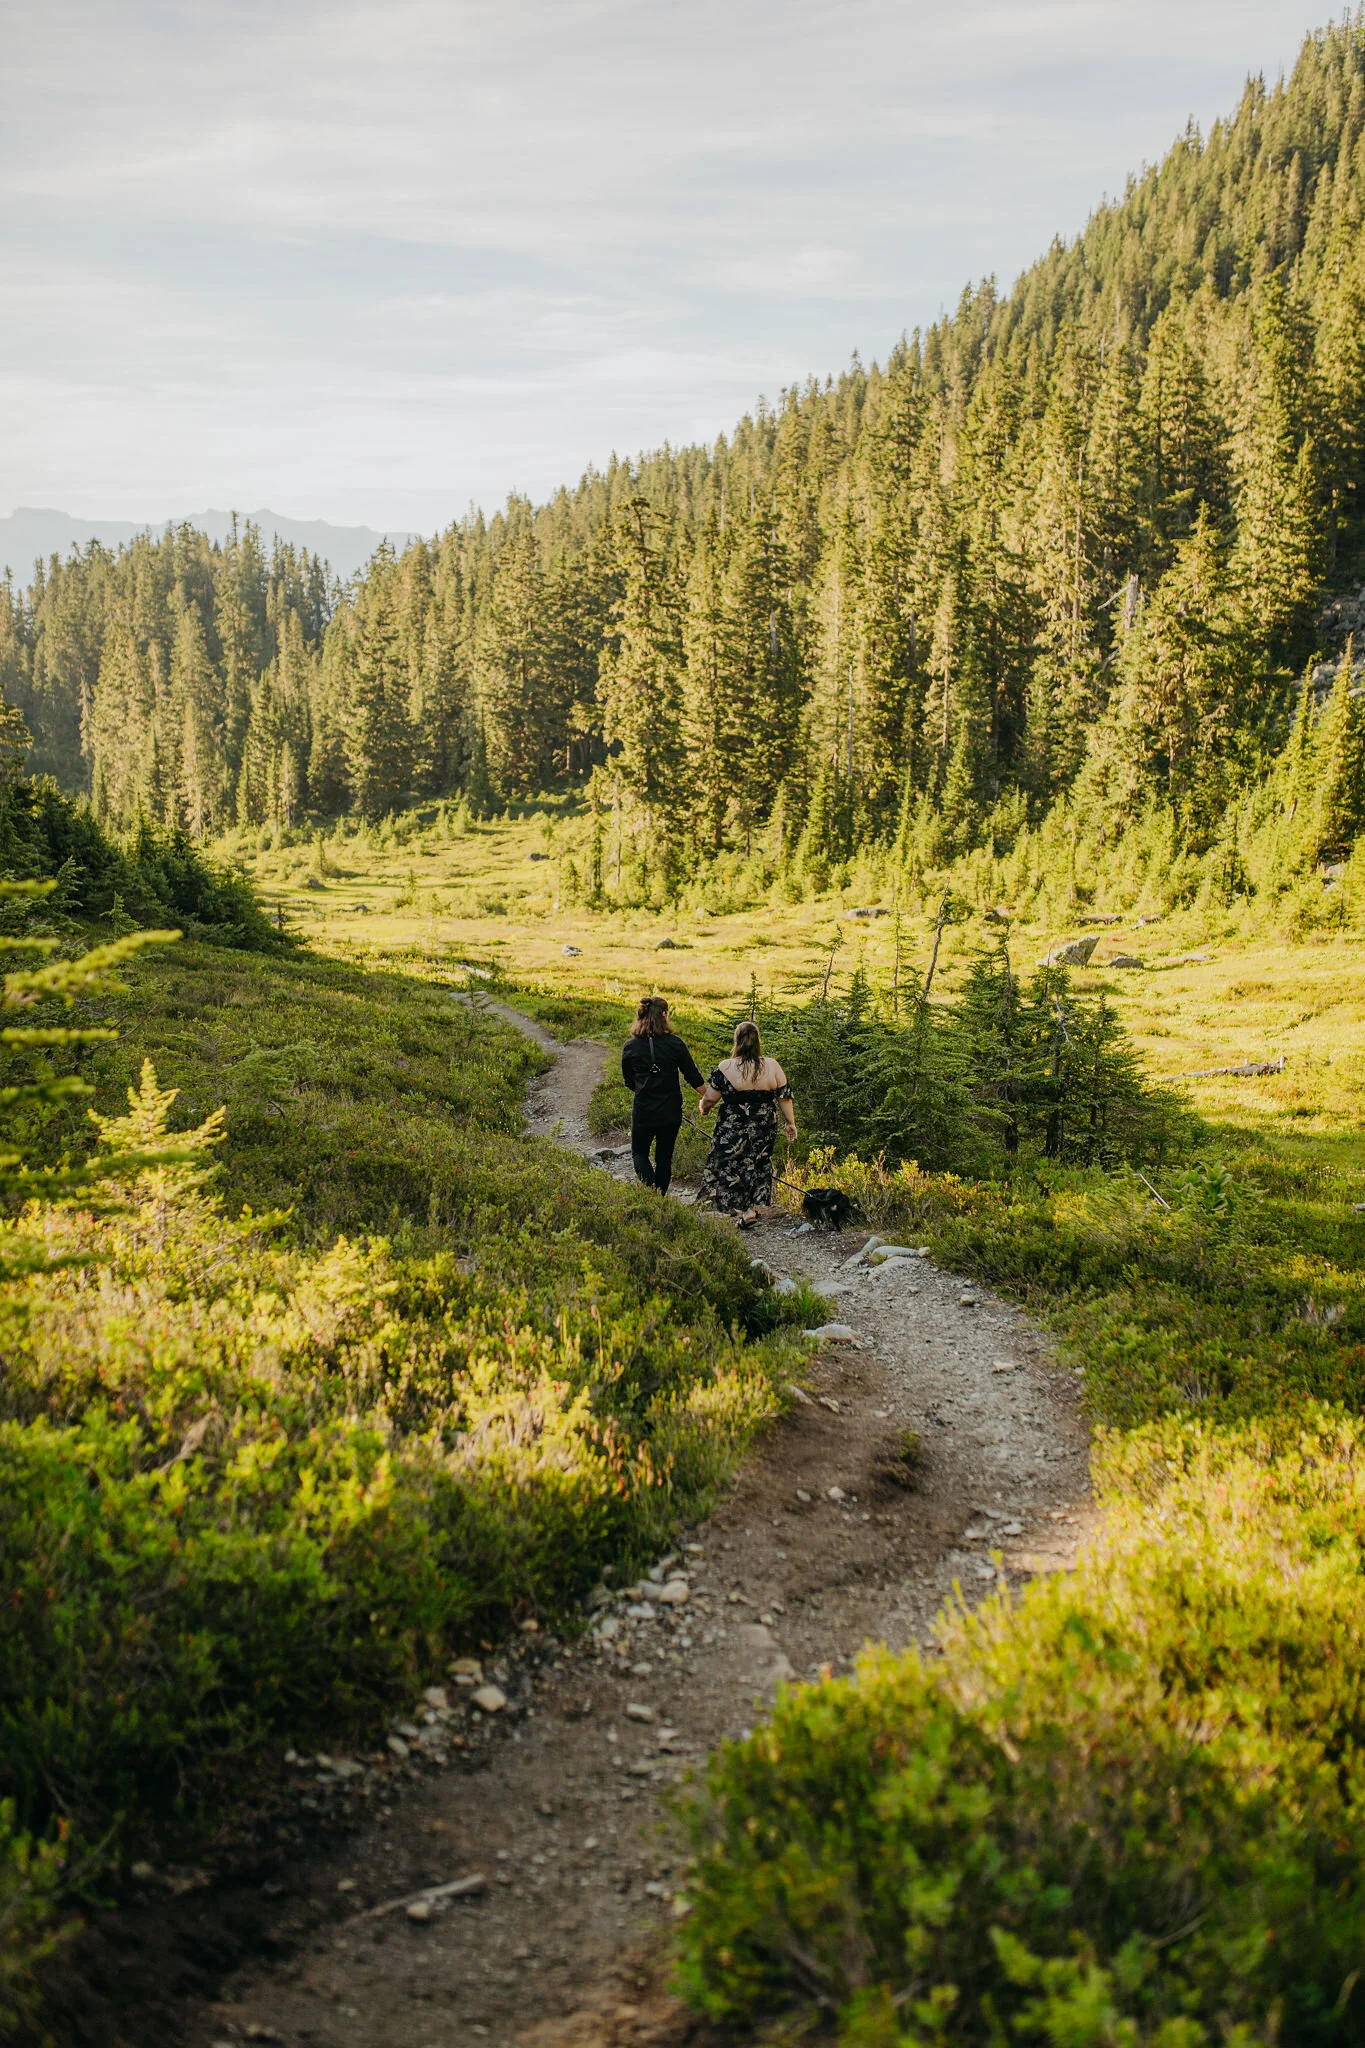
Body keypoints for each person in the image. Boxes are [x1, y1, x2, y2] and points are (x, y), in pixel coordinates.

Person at [697, 1021, 797, 1227]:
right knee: (757, 1162)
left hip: (732, 1125)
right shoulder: (772, 1065)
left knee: (730, 1163)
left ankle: (743, 1209)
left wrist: (704, 1108)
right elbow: (784, 1098)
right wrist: (790, 1123)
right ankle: (749, 1209)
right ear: (758, 1040)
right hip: (763, 1124)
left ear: (737, 1040)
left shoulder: (726, 1067)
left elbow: (710, 1098)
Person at [621, 995, 704, 1195]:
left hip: (644, 1110)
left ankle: (652, 1195)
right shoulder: (675, 1044)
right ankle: (659, 1197)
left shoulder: (630, 1046)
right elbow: (693, 1077)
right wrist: (709, 1099)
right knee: (664, 1158)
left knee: (639, 1153)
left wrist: (644, 1090)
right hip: (670, 1110)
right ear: (664, 1015)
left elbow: (628, 1081)